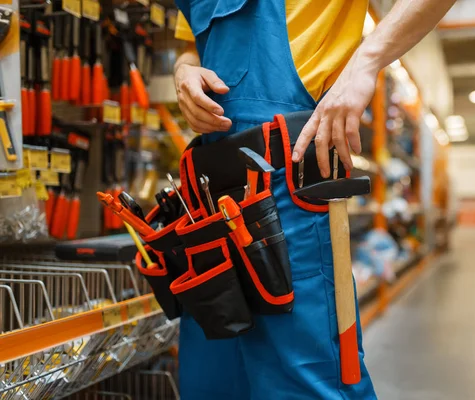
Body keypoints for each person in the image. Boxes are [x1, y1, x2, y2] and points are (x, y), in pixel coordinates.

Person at [173, 0, 456, 398]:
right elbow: (189, 40)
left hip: (289, 188)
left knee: (306, 385)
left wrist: (367, 60)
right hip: (208, 200)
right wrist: (183, 71)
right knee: (212, 386)